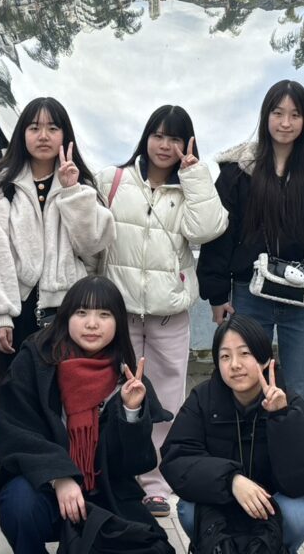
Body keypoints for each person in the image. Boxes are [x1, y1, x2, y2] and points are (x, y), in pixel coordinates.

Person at [97, 104, 228, 516]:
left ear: (187, 144)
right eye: (158, 135)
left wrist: (195, 176)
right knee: (112, 393)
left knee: (167, 399)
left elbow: (208, 229)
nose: (165, 145)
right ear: (146, 137)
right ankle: (114, 475)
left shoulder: (189, 189)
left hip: (168, 313)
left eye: (175, 138)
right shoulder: (113, 180)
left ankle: (155, 481)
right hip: (119, 315)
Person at [197, 79, 304, 405]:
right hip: (249, 293)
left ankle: (293, 439)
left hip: (302, 296)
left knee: (298, 391)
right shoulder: (238, 171)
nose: (285, 123)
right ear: (265, 116)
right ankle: (248, 441)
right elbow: (219, 236)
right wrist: (216, 294)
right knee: (245, 387)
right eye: (278, 113)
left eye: (295, 115)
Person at [0, 275, 172, 554]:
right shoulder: (36, 359)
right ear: (66, 316)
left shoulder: (126, 377)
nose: (92, 324)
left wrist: (131, 411)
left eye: (104, 315)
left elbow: (136, 463)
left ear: (118, 322)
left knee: (155, 546)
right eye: (82, 312)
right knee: (19, 505)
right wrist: (59, 476)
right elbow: (13, 430)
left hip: (105, 493)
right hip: (46, 488)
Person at [161, 314, 304, 553]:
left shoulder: (290, 403)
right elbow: (176, 458)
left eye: (245, 353)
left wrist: (281, 417)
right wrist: (231, 480)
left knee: (299, 512)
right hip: (221, 500)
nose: (235, 365)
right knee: (188, 508)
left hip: (270, 505)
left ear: (264, 359)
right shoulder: (203, 399)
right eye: (225, 356)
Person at [0, 97, 114, 356]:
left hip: (67, 308)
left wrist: (72, 192)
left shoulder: (81, 185)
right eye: (34, 128)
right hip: (14, 308)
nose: (43, 136)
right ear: (21, 133)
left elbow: (92, 245)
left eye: (53, 128)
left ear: (65, 135)